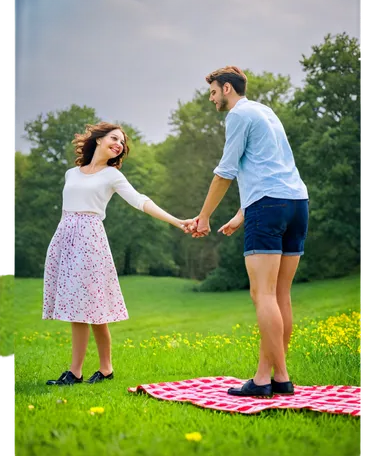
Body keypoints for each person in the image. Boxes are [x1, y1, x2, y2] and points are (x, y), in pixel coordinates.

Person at [186, 66, 309, 397]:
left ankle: (280, 378)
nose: (211, 99)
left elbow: (225, 171)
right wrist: (242, 213)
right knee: (280, 294)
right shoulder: (265, 112)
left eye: (213, 92)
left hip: (268, 207)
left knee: (263, 295)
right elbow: (271, 167)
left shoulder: (238, 115)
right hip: (297, 203)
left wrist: (204, 216)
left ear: (227, 88)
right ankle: (263, 377)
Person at [43, 122, 192, 385]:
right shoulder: (71, 173)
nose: (119, 144)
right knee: (79, 309)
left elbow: (140, 200)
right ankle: (90, 371)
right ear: (98, 139)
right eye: (114, 138)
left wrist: (177, 221)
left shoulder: (112, 175)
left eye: (122, 142)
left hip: (90, 241)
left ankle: (92, 370)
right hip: (65, 237)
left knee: (92, 309)